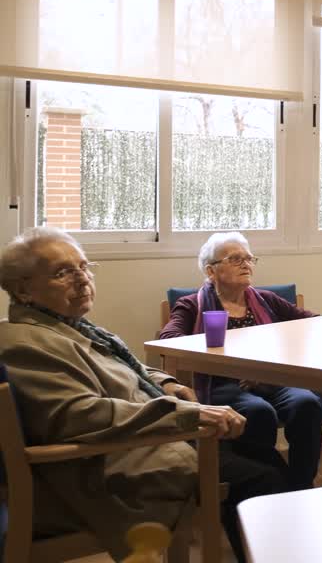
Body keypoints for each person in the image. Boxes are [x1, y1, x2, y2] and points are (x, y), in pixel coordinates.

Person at [0, 227, 284, 562]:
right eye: (63, 272)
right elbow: (79, 414)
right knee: (263, 477)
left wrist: (166, 383)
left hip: (142, 442)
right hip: (112, 468)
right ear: (23, 289)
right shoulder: (24, 344)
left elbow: (126, 367)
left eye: (84, 266)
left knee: (262, 452)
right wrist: (185, 413)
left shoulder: (64, 327)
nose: (82, 279)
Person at [160, 231, 322, 492]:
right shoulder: (192, 305)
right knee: (259, 412)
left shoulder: (267, 300)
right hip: (221, 383)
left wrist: (281, 355)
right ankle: (270, 486)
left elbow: (314, 323)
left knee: (307, 403)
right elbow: (168, 338)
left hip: (270, 379)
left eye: (249, 258)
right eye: (235, 259)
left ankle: (301, 486)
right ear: (210, 271)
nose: (245, 264)